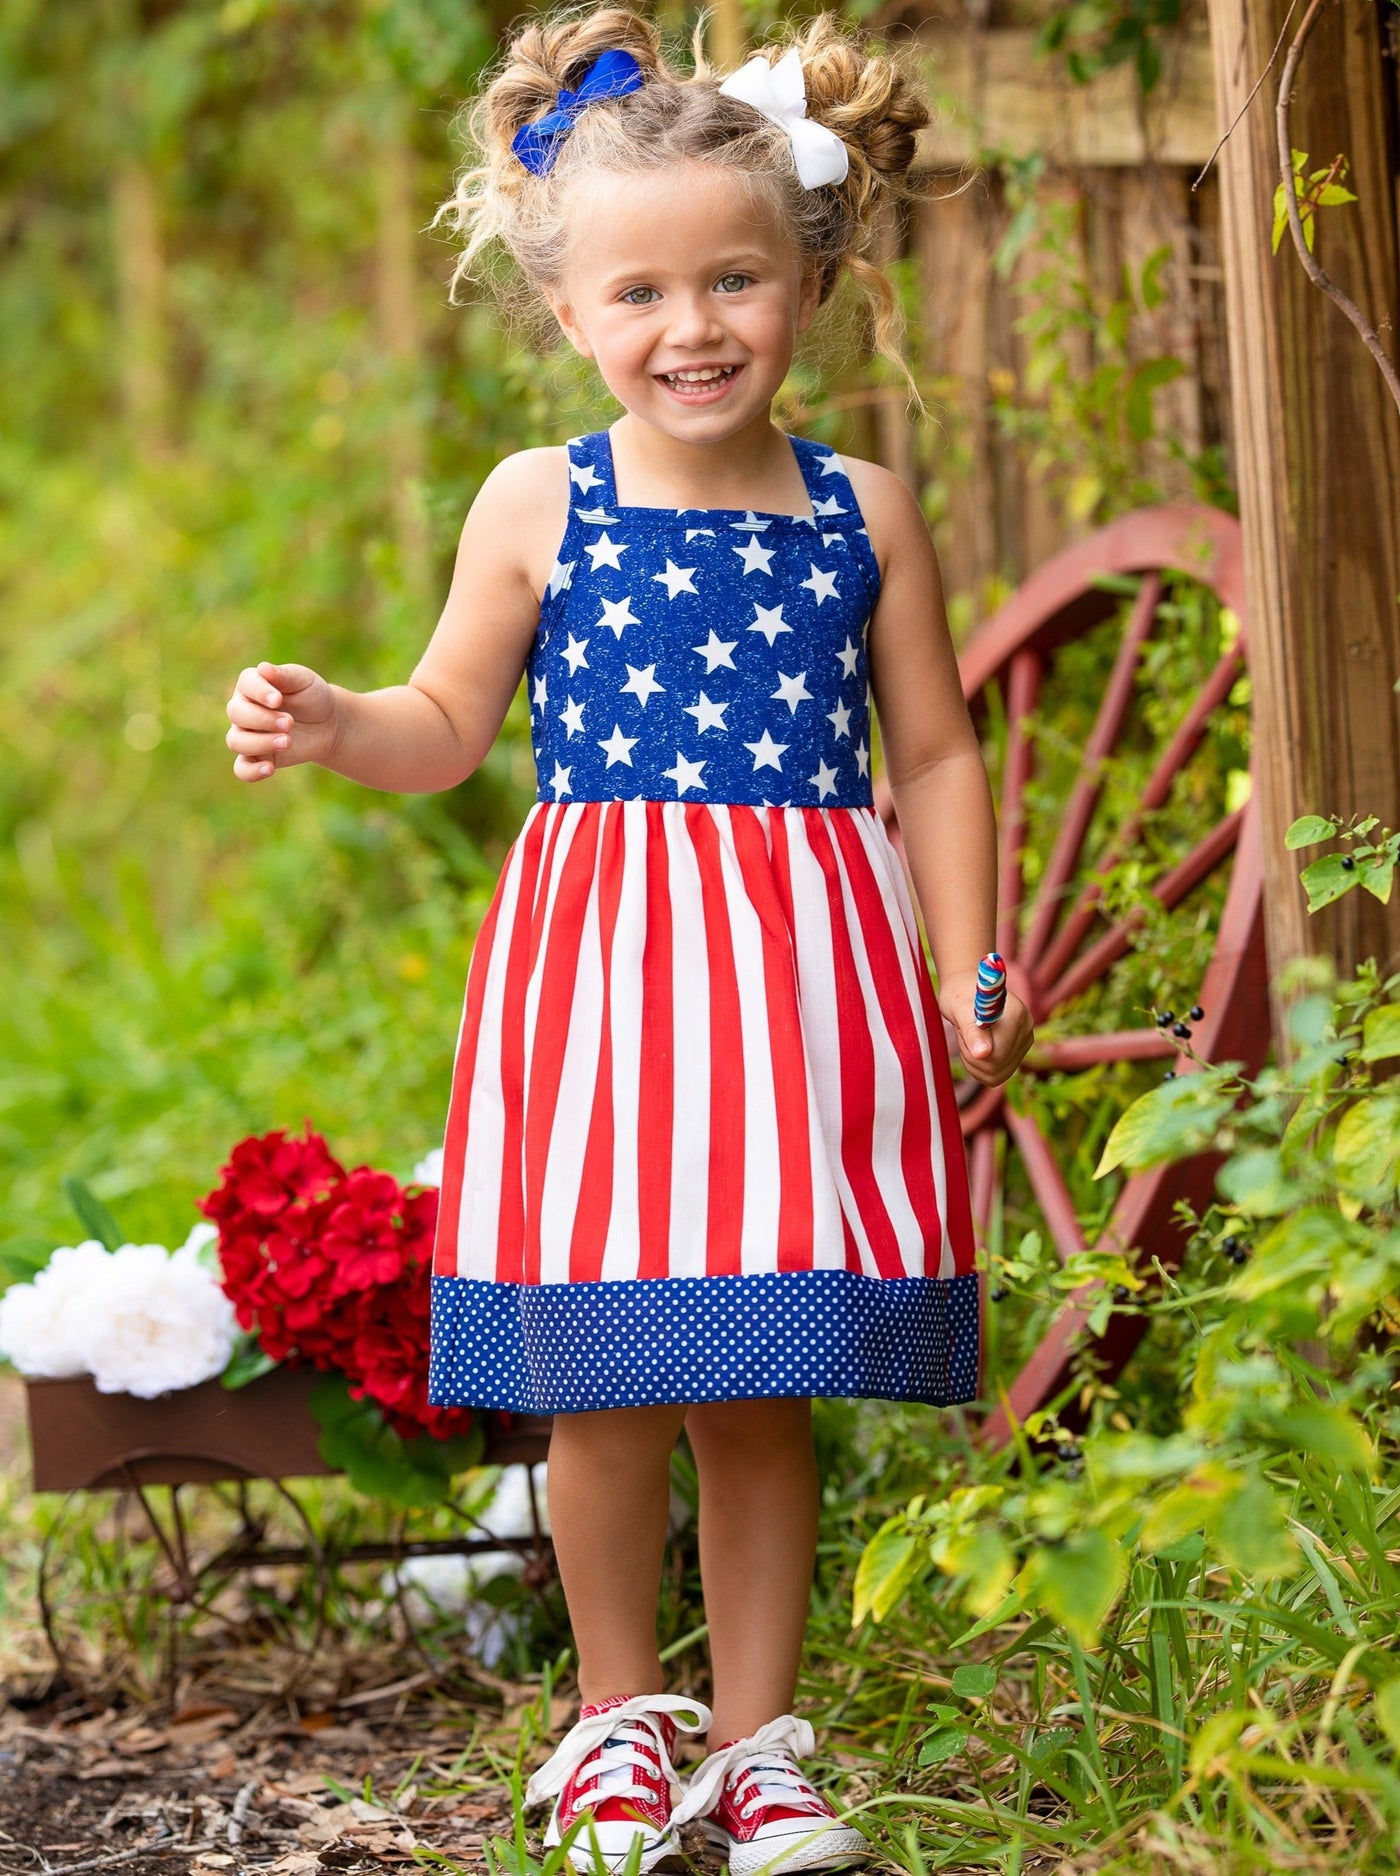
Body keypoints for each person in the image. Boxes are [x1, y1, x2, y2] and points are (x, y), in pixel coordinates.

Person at [224, 8, 1033, 1870]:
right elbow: (446, 722)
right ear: (565, 307)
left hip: (804, 990)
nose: (695, 327)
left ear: (810, 278)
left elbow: (933, 751)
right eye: (643, 292)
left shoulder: (861, 512)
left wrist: (963, 957)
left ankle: (759, 1748)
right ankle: (612, 1728)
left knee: (757, 1386)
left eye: (735, 279)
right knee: (609, 1384)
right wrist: (337, 721)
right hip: (606, 994)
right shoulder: (544, 499)